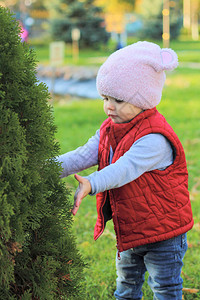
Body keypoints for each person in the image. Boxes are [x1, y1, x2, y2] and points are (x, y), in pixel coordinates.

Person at [57, 41, 194, 300]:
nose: (109, 107)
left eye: (118, 100)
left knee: (165, 288)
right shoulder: (111, 127)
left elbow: (124, 169)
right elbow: (84, 154)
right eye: (105, 98)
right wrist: (44, 168)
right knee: (126, 286)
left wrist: (91, 182)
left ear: (143, 99)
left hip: (164, 232)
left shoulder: (155, 138)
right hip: (132, 227)